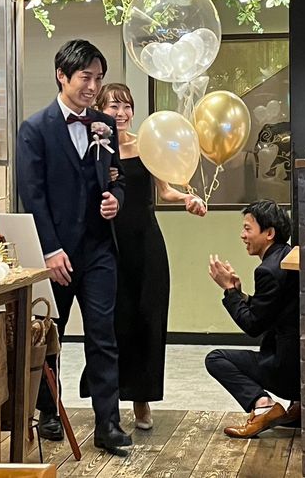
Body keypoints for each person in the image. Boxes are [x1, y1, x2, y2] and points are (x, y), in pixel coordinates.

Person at [16, 40, 131, 453]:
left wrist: (116, 198)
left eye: (98, 78)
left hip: (99, 249)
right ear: (62, 76)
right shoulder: (35, 129)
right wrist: (49, 250)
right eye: (86, 77)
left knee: (103, 335)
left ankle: (108, 424)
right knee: (51, 333)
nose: (93, 86)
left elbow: (118, 177)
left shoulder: (104, 125)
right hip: (57, 253)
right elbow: (33, 196)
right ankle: (49, 411)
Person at [94, 83, 206, 430]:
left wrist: (187, 199)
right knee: (115, 323)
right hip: (109, 244)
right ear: (100, 110)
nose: (122, 113)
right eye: (113, 106)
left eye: (126, 106)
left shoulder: (146, 145)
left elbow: (165, 190)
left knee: (148, 320)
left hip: (146, 243)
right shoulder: (94, 150)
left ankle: (141, 399)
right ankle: (108, 403)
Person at [205, 200, 301, 438]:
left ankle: (264, 406)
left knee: (216, 359)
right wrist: (240, 294)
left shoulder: (267, 270)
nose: (242, 235)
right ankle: (299, 407)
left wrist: (229, 291)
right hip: (303, 366)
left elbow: (253, 325)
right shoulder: (287, 256)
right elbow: (270, 310)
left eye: (248, 229)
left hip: (287, 371)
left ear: (269, 233)